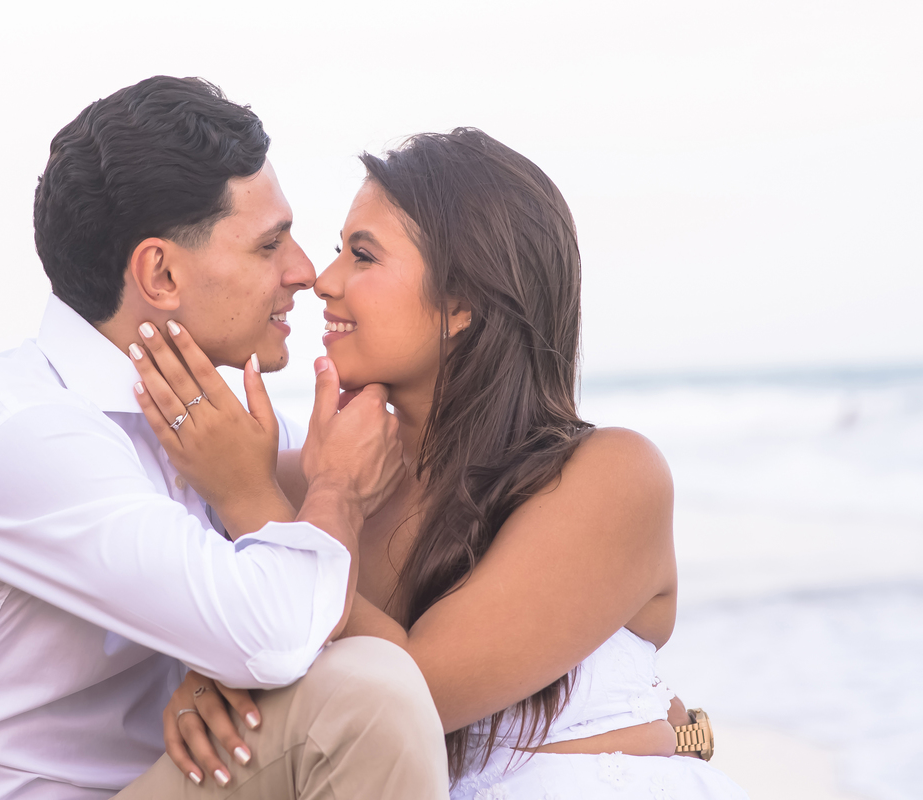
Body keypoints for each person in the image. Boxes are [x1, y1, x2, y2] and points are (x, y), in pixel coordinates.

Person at [0, 76, 452, 799]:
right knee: (369, 696)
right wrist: (332, 491)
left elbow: (386, 500)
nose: (305, 273)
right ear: (161, 272)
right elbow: (272, 634)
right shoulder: (32, 437)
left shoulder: (191, 417)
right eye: (270, 245)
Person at [136, 129, 749, 798]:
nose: (323, 278)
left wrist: (257, 505)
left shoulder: (609, 477)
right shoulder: (299, 484)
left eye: (362, 256)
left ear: (460, 303)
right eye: (340, 249)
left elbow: (407, 698)